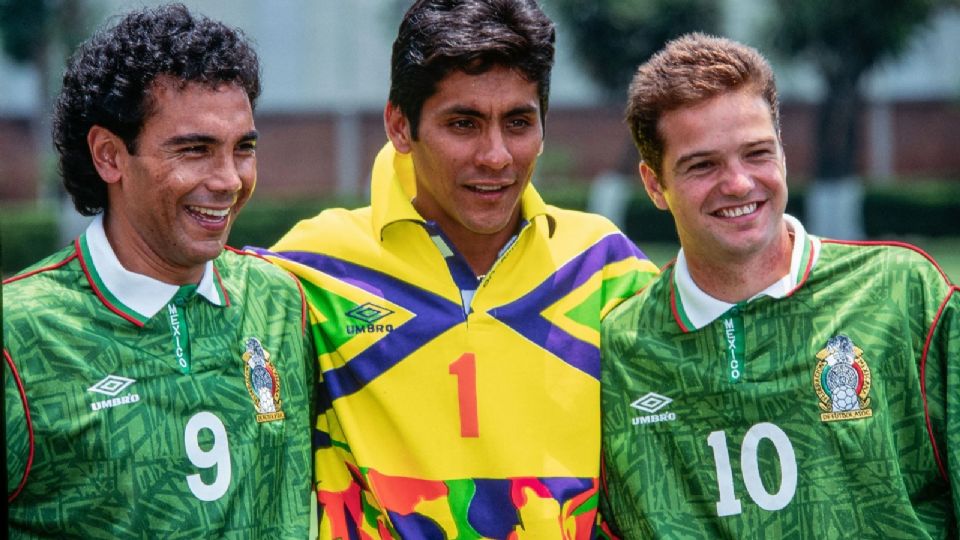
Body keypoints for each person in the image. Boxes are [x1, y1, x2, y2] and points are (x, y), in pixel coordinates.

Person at [255, 0, 658, 537]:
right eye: (463, 123)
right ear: (400, 126)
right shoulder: (310, 269)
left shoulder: (607, 269)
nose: (496, 156)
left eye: (518, 122)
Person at [600, 32, 959, 538]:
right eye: (703, 164)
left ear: (784, 155)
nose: (740, 184)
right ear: (654, 184)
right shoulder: (619, 352)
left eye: (757, 153)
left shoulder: (906, 293)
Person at [4, 4, 314, 537]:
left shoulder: (283, 300)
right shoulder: (19, 332)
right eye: (194, 150)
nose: (228, 180)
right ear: (108, 156)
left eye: (243, 149)